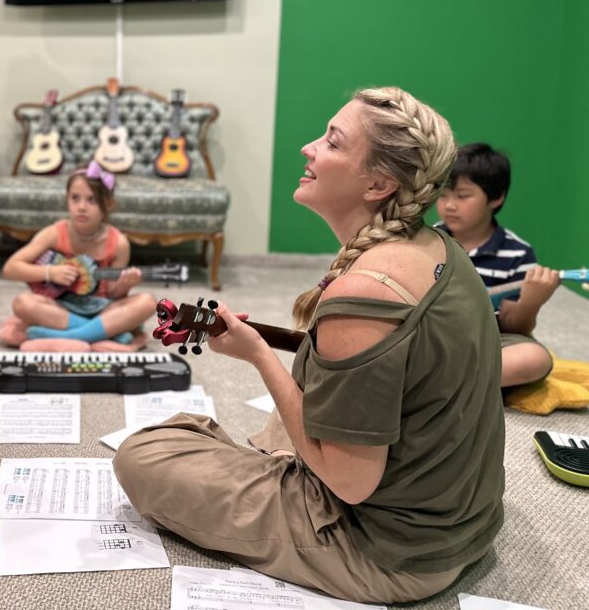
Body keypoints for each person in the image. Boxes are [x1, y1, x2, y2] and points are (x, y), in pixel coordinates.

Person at [113, 87, 505, 603]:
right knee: (302, 399)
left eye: (333, 143)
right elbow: (387, 369)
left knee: (142, 454)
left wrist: (258, 356)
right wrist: (275, 346)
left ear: (379, 183)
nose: (309, 147)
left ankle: (260, 467)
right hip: (463, 523)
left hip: (386, 551)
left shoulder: (366, 292)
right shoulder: (440, 246)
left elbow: (350, 483)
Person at [435, 142, 559, 387]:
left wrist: (531, 303)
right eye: (442, 194)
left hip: (488, 341)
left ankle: (443, 384)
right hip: (434, 336)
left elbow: (514, 327)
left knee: (535, 358)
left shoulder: (517, 253)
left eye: (462, 196)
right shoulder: (429, 240)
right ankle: (458, 384)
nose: (449, 205)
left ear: (496, 197)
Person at [2, 161, 156, 343]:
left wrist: (125, 285)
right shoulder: (54, 233)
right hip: (60, 308)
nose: (81, 207)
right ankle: (106, 332)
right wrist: (49, 272)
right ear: (67, 199)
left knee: (148, 302)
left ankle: (74, 334)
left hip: (102, 310)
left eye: (91, 200)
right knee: (22, 303)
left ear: (107, 204)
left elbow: (113, 294)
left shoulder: (118, 243)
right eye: (75, 198)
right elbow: (10, 268)